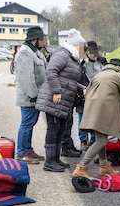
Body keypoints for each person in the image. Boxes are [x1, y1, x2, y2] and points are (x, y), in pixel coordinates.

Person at [73, 58, 120, 178]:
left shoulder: (99, 75)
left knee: (101, 138)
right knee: (101, 141)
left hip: (92, 110)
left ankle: (104, 166)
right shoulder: (118, 76)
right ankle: (81, 167)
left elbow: (87, 91)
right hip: (103, 112)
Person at [35, 28, 87, 172]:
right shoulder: (62, 55)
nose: (83, 49)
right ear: (76, 45)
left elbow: (69, 80)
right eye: (82, 46)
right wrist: (57, 91)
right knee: (53, 129)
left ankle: (56, 159)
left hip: (64, 101)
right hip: (55, 99)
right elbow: (51, 71)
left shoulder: (72, 57)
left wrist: (82, 89)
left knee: (60, 129)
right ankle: (50, 161)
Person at [14, 26, 47, 164]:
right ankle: (21, 153)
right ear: (35, 39)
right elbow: (27, 78)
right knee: (26, 124)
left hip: (36, 95)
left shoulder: (35, 52)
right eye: (43, 38)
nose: (45, 41)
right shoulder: (25, 53)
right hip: (29, 97)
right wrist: (33, 96)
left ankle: (28, 150)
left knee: (31, 123)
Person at [76, 41, 107, 152]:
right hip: (84, 95)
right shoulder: (81, 64)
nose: (93, 54)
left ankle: (93, 141)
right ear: (87, 52)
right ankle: (83, 140)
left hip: (98, 95)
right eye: (91, 52)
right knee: (82, 118)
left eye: (95, 52)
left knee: (96, 119)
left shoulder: (102, 63)